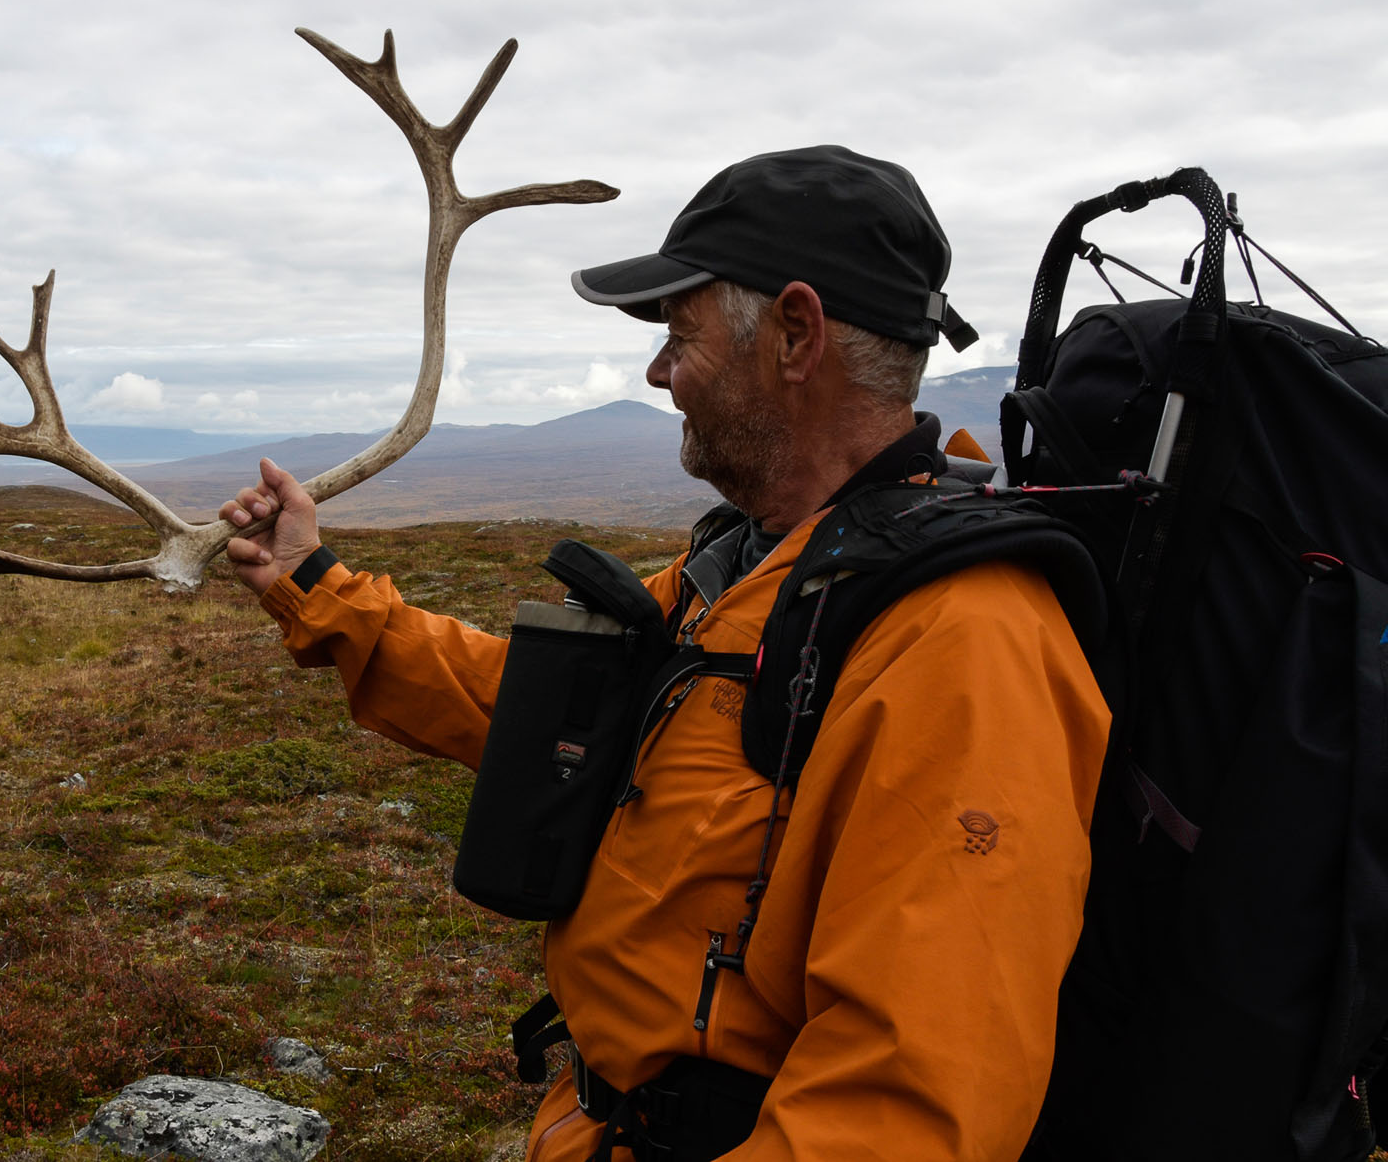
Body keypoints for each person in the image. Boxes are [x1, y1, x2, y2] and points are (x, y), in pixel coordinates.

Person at [220, 146, 1111, 1162]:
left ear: (793, 334)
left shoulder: (962, 641)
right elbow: (540, 709)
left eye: (676, 336)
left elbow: (902, 1109)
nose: (653, 372)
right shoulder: (744, 571)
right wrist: (318, 590)